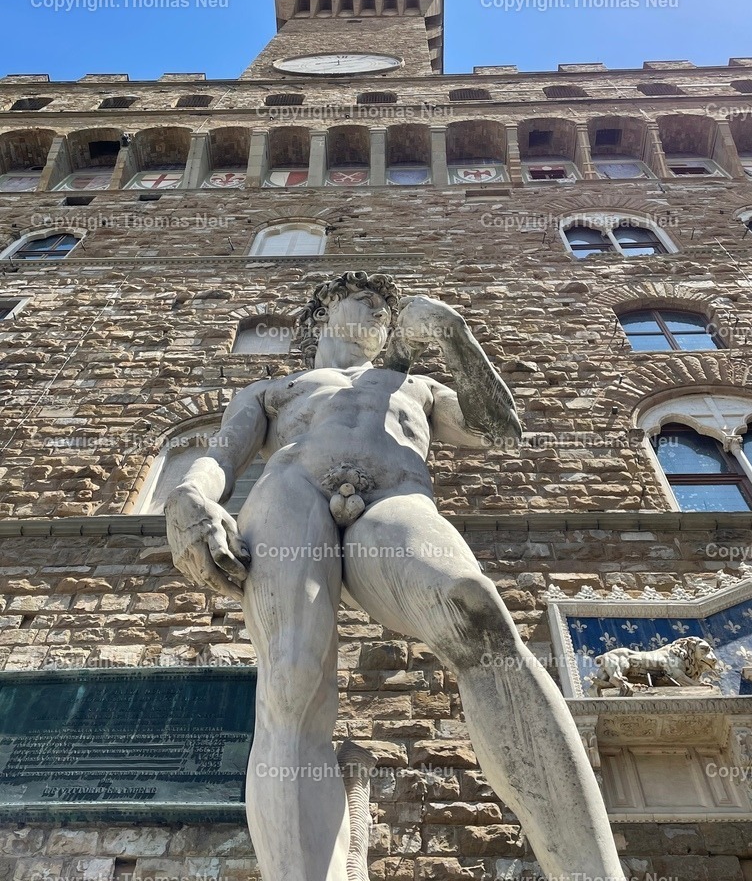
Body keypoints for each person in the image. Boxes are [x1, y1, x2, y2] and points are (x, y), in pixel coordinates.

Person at [165, 271, 626, 881]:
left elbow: (499, 429)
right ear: (325, 308)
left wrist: (454, 335)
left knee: (477, 614)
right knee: (292, 679)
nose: (383, 314)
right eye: (370, 301)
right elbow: (221, 453)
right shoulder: (277, 388)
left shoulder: (416, 384)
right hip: (291, 492)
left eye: (389, 310)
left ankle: (590, 873)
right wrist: (189, 497)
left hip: (396, 501)